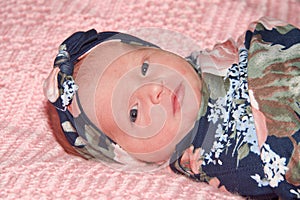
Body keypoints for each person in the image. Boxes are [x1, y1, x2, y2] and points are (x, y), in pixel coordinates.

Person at [44, 17, 300, 199]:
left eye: (145, 67)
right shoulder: (220, 160)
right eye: (134, 112)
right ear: (128, 155)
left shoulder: (209, 60)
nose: (155, 89)